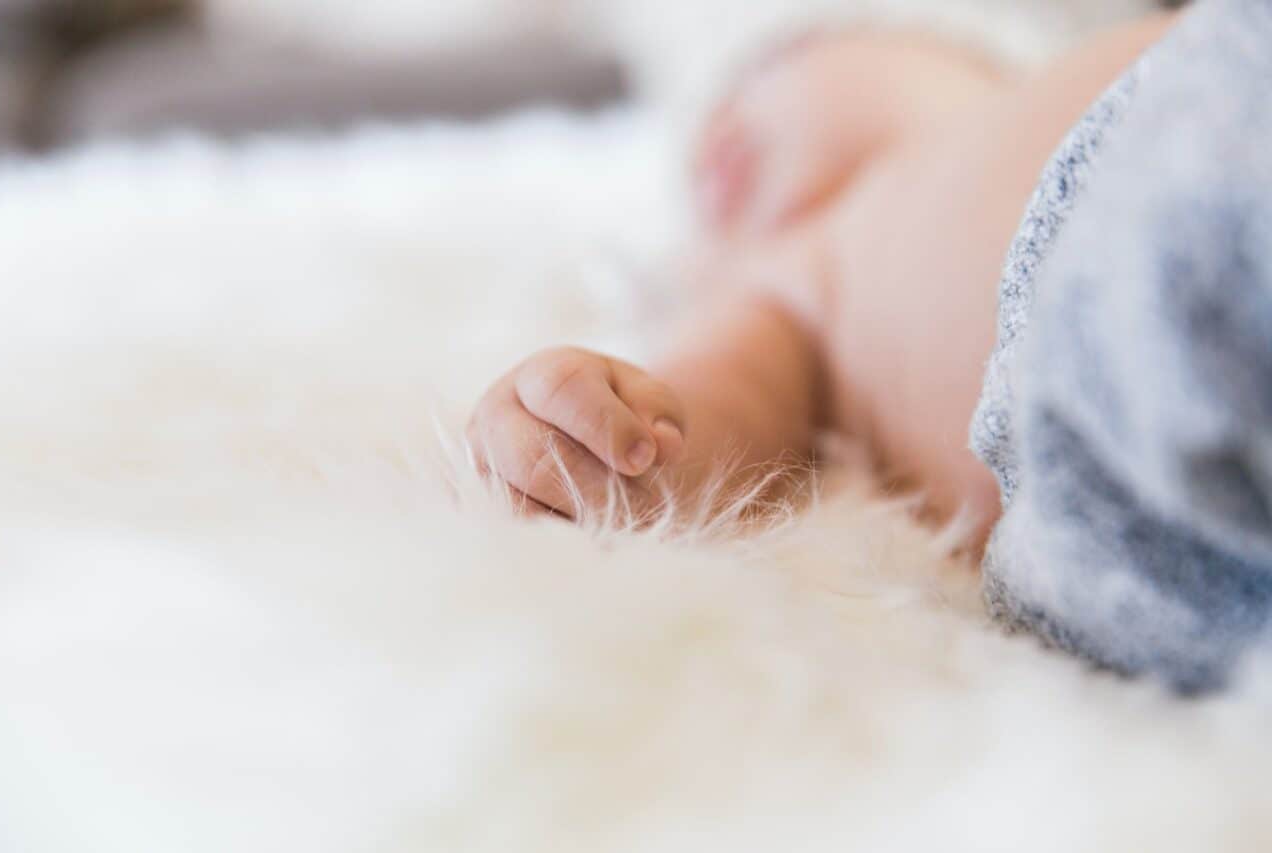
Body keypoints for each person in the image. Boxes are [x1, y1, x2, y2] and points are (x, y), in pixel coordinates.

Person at [468, 0, 1272, 691]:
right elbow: (701, 418)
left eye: (783, 58)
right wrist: (614, 442)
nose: (718, 143)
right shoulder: (794, 282)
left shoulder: (1048, 92)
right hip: (1130, 436)